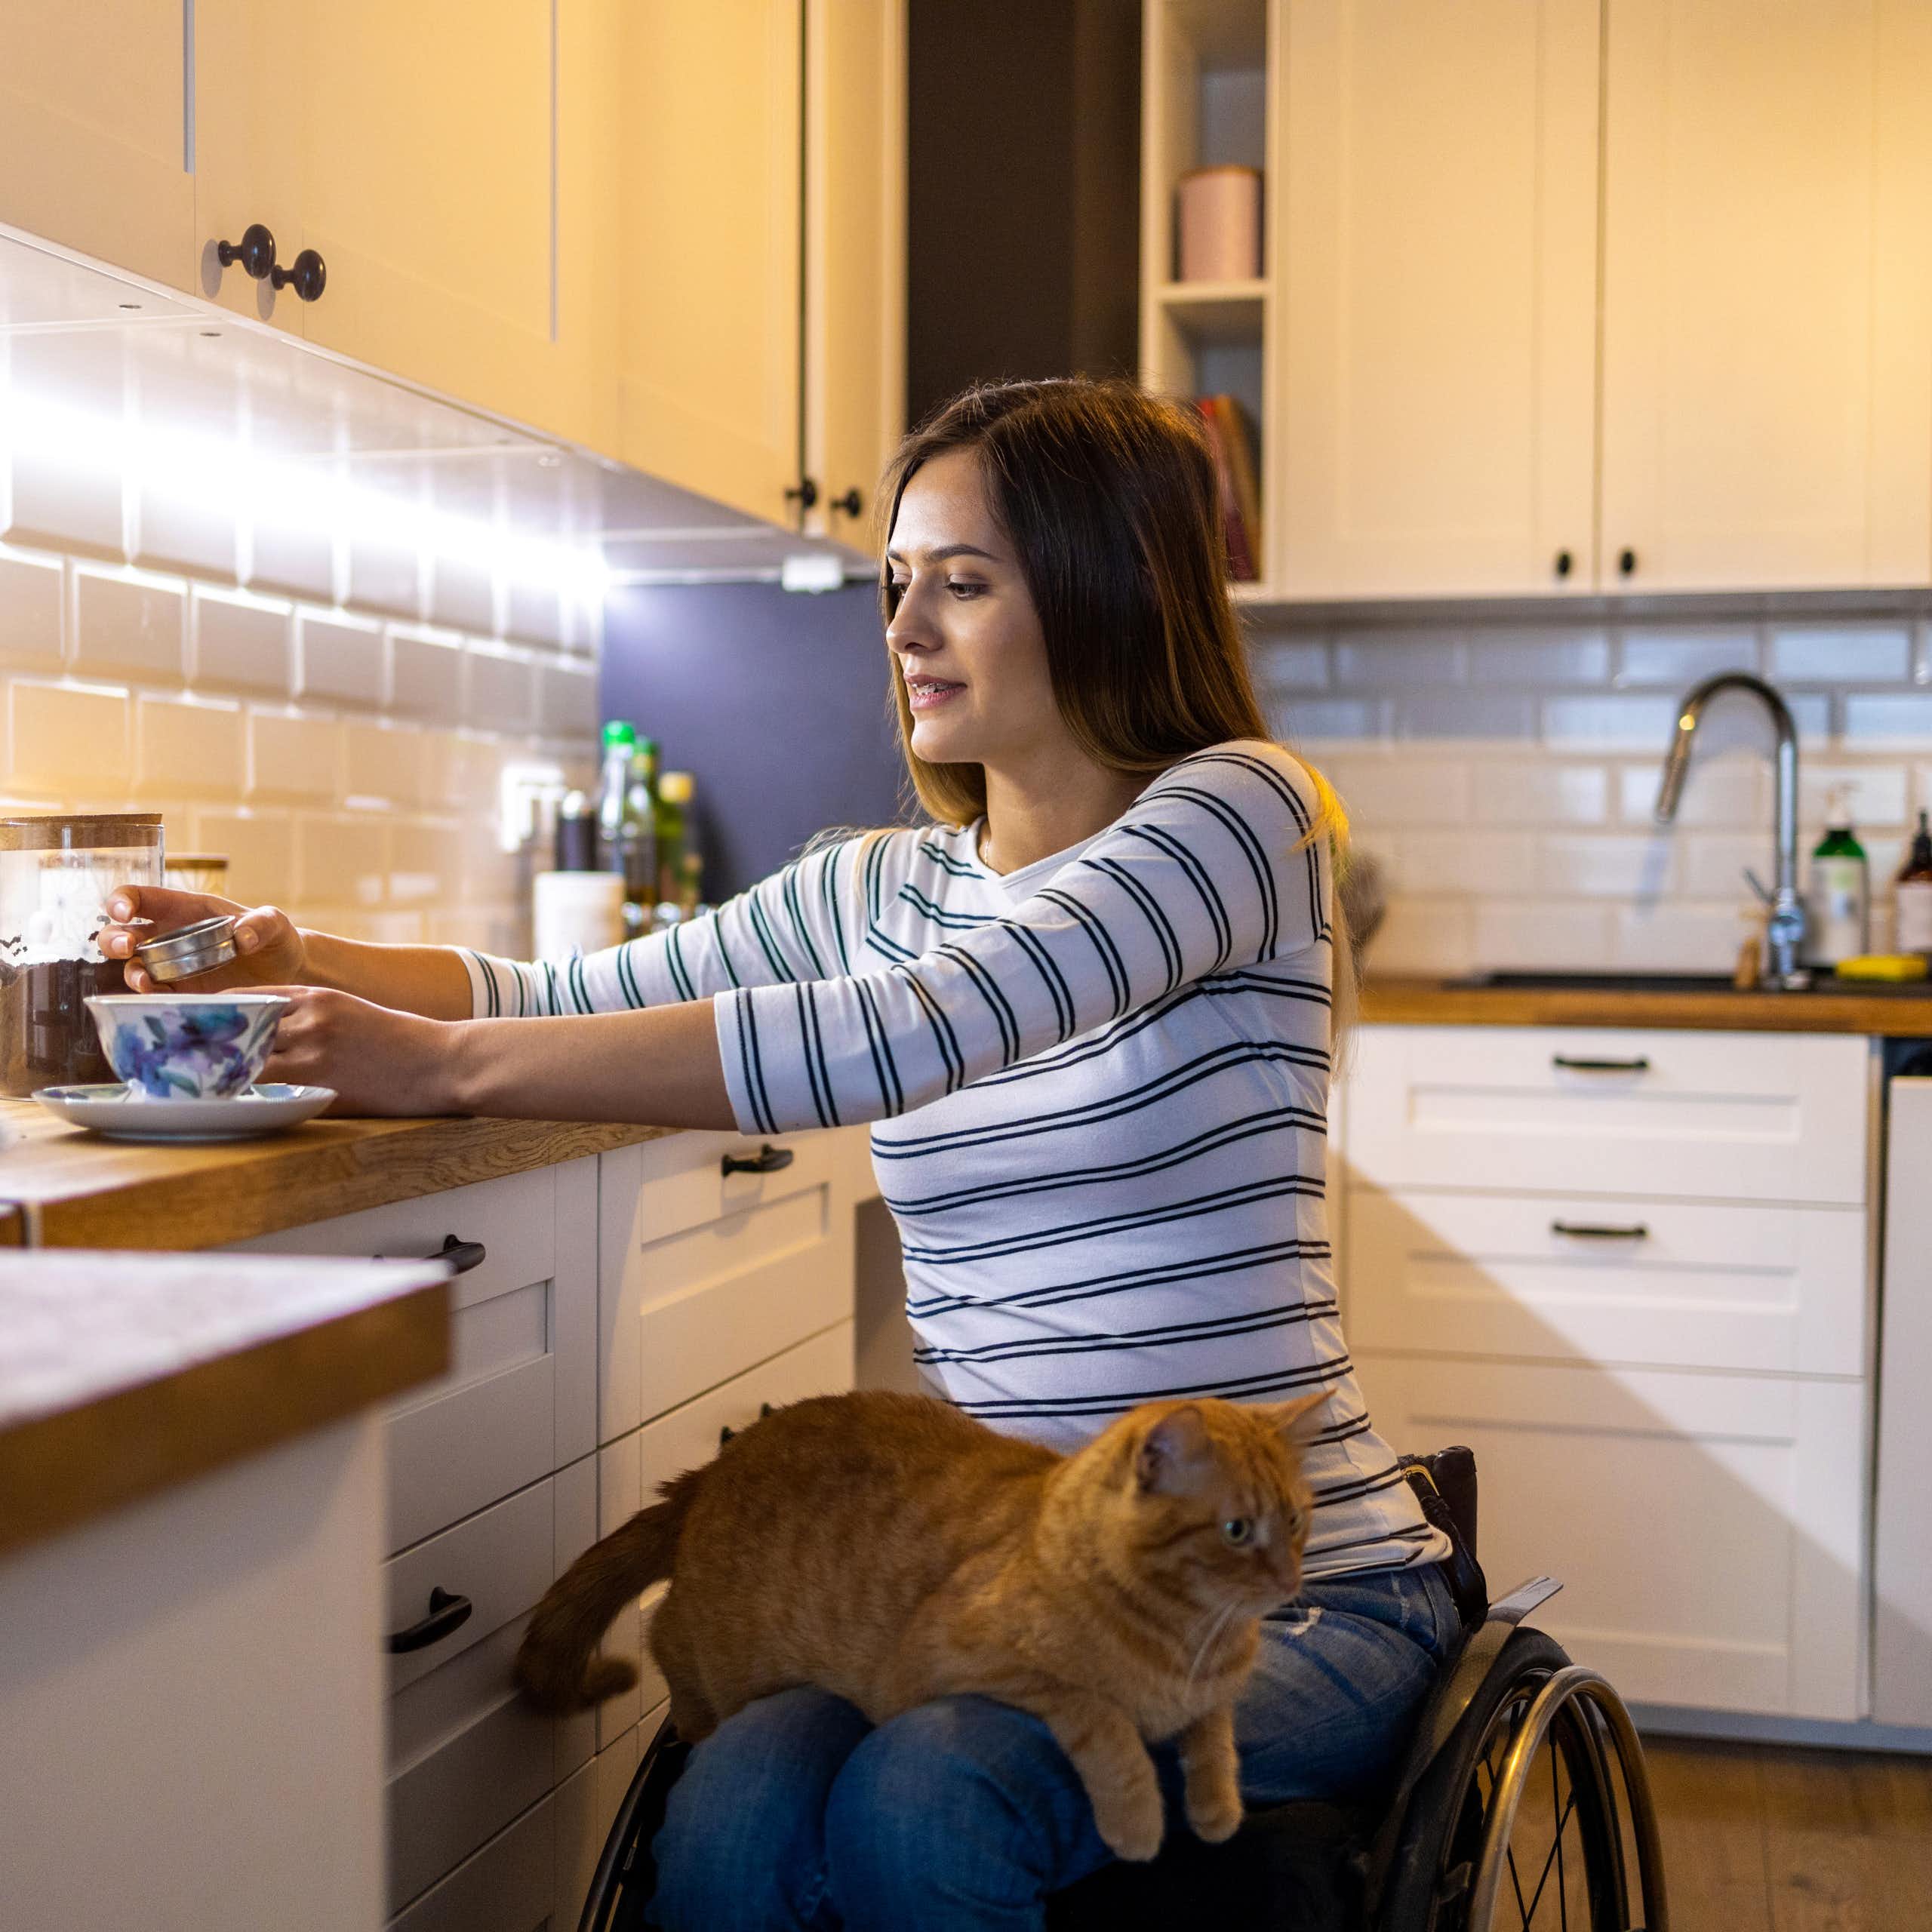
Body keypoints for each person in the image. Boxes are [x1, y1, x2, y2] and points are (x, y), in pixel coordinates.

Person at [101, 377, 1457, 1931]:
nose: (904, 627)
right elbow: (558, 995)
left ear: (1113, 588)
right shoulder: (873, 884)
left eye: (961, 580)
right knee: (737, 1801)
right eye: (895, 583)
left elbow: (922, 1027)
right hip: (1001, 1580)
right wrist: (286, 958)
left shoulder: (1242, 815)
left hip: (1300, 1598)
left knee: (923, 1791)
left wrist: (438, 1064)